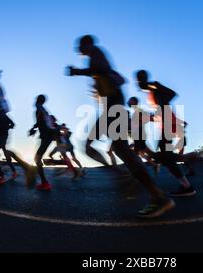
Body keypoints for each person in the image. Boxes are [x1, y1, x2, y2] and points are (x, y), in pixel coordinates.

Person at [67, 35, 174, 218]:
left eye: (81, 45)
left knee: (98, 147)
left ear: (87, 44)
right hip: (112, 108)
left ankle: (141, 186)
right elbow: (103, 75)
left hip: (113, 108)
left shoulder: (95, 52)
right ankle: (131, 180)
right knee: (118, 148)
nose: (79, 49)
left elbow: (100, 69)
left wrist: (77, 72)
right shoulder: (96, 57)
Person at [136, 70, 196, 197]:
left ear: (143, 79)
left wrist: (153, 86)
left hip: (169, 126)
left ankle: (189, 182)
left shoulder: (154, 87)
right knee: (166, 158)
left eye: (139, 79)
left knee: (165, 157)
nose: (138, 83)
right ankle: (187, 183)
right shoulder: (152, 93)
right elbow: (159, 113)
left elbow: (171, 94)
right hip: (166, 126)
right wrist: (147, 118)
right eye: (137, 80)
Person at [29, 95, 60, 191]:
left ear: (38, 100)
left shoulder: (39, 108)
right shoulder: (44, 110)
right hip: (48, 136)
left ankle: (45, 183)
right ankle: (44, 182)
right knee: (37, 158)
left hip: (47, 136)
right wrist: (34, 128)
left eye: (36, 99)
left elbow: (40, 120)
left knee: (37, 158)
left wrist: (33, 129)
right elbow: (41, 121)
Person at [127, 97, 161, 175]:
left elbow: (145, 118)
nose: (128, 102)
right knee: (141, 152)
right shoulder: (136, 111)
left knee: (137, 152)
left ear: (134, 102)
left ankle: (138, 171)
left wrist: (152, 118)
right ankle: (155, 164)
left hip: (140, 134)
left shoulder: (138, 111)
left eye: (130, 101)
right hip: (138, 135)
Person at [48, 117, 85, 181]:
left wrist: (62, 128)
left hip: (67, 146)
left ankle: (79, 169)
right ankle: (67, 167)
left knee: (73, 158)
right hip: (62, 146)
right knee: (51, 155)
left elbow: (67, 132)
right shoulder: (55, 129)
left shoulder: (62, 130)